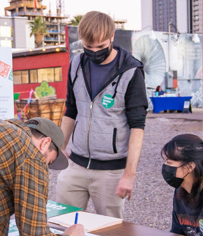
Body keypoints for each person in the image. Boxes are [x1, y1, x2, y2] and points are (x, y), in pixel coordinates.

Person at [58, 11, 148, 219]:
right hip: (76, 165)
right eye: (89, 47)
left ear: (112, 37)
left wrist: (129, 175)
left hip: (111, 172)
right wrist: (61, 146)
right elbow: (71, 109)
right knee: (61, 224)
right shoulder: (77, 64)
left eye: (100, 47)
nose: (94, 52)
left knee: (110, 235)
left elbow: (137, 126)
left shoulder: (131, 71)